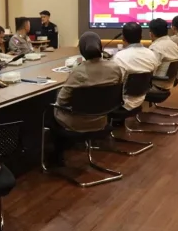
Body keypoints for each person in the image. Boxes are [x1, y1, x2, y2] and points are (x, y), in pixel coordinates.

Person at [45, 32, 124, 165]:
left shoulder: (79, 72)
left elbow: (61, 101)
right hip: (102, 120)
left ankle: (55, 157)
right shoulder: (115, 68)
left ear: (82, 50)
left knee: (49, 110)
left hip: (77, 123)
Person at [113, 22, 158, 111]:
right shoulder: (152, 54)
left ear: (123, 38)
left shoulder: (119, 57)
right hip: (142, 98)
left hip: (122, 101)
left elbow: (114, 80)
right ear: (141, 37)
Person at [148, 18, 178, 85]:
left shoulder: (155, 48)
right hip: (168, 84)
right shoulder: (175, 45)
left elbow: (148, 69)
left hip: (156, 84)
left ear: (151, 34)